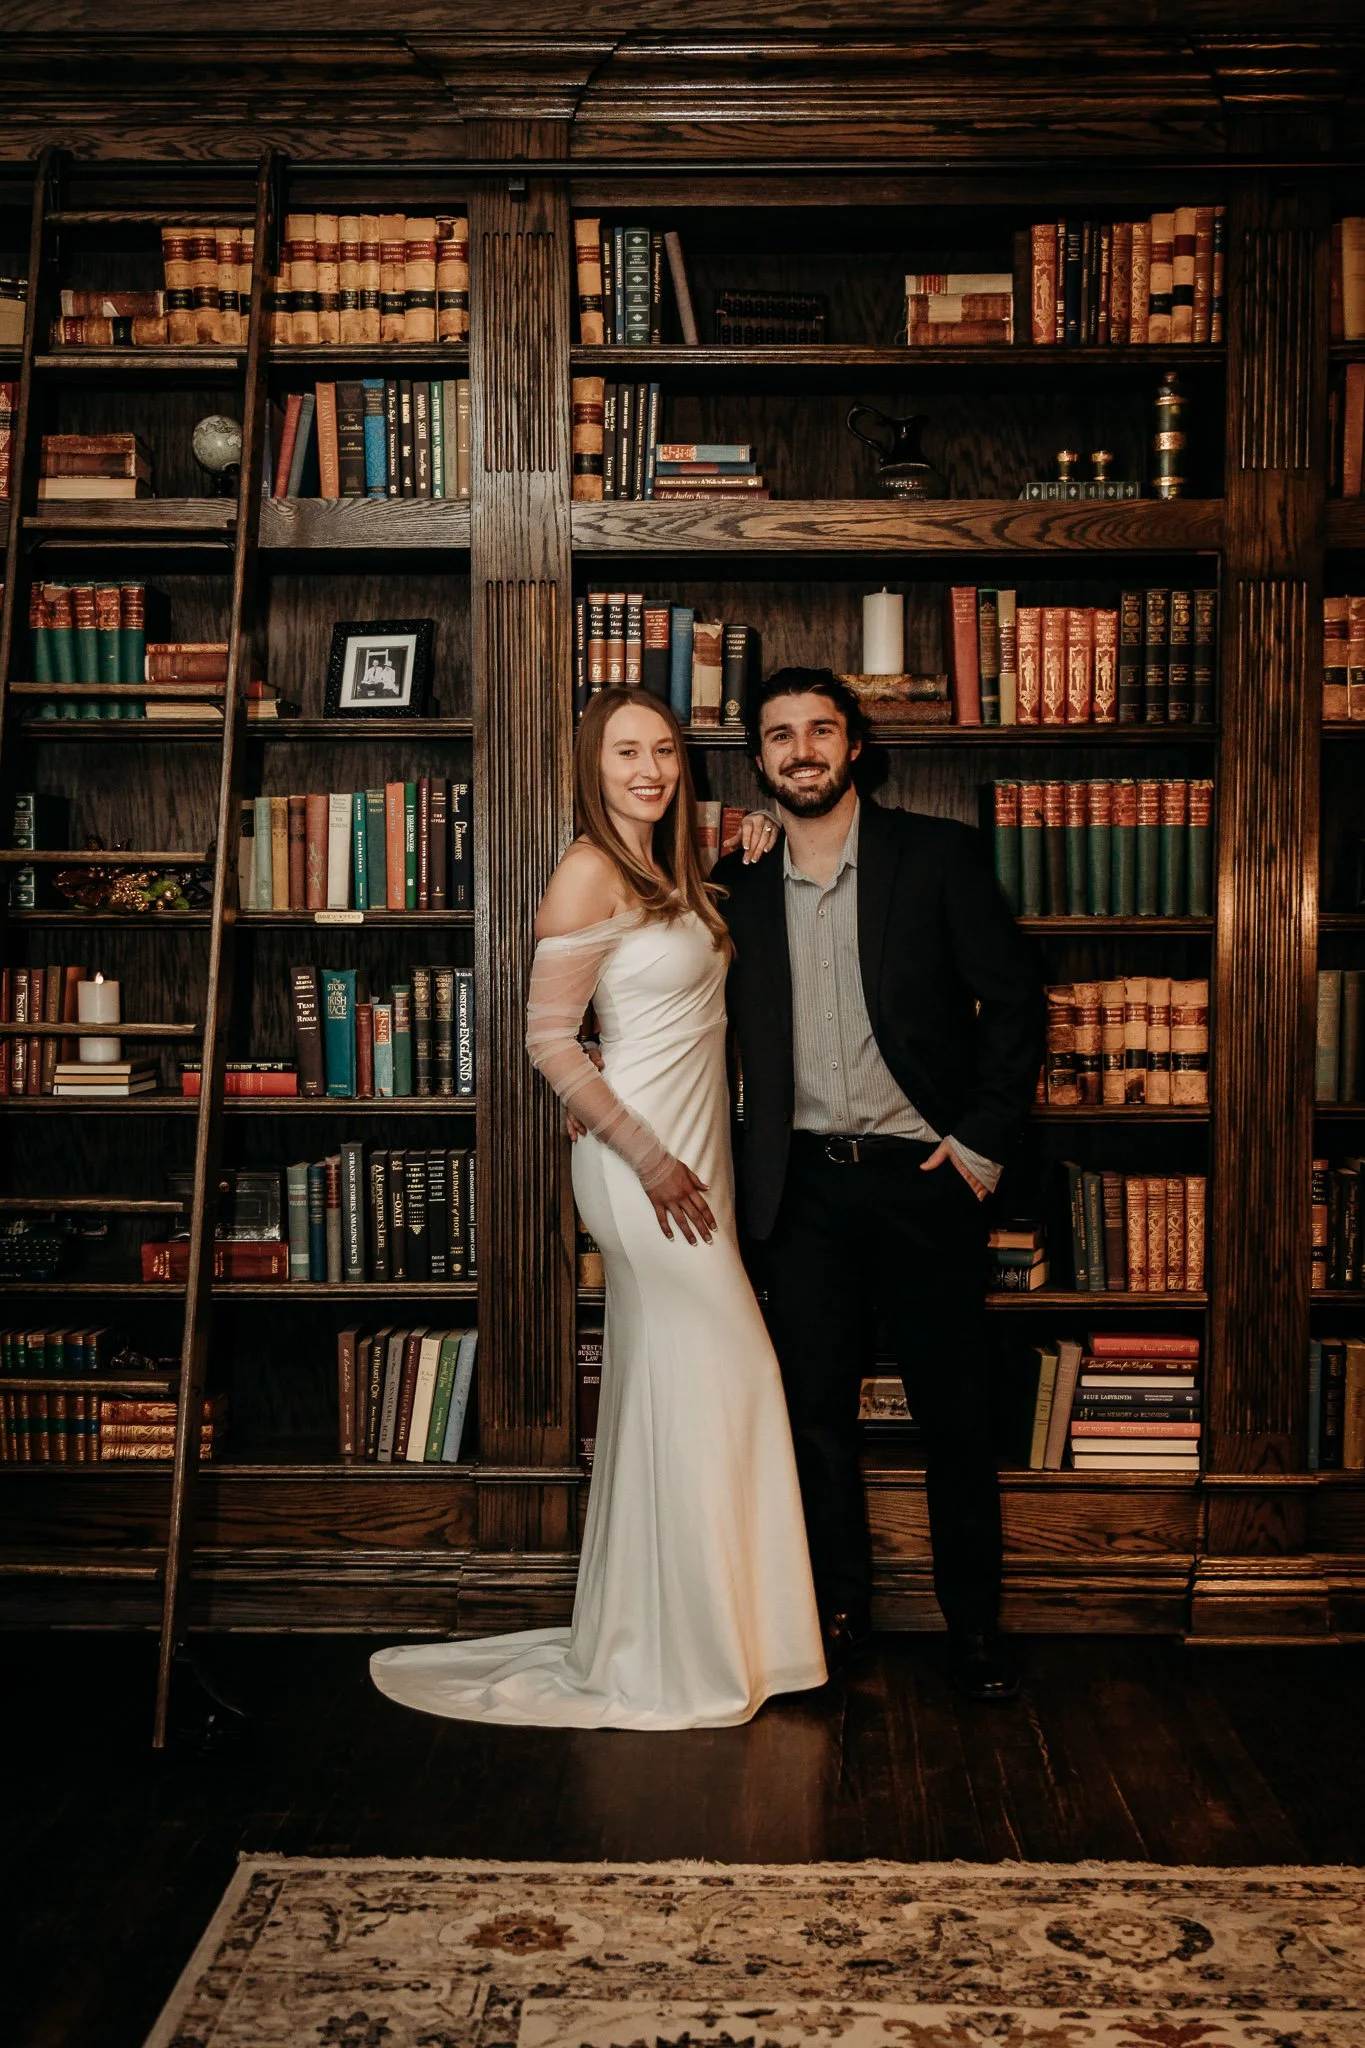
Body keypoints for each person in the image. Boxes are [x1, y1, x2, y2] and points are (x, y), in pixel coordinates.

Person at [370, 687, 826, 1729]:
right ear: (594, 762)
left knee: (682, 1391)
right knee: (733, 1371)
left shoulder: (681, 862)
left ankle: (704, 1636)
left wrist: (757, 829)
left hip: (694, 1152)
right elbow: (545, 1038)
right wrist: (647, 1156)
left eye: (664, 749)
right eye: (627, 751)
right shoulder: (587, 869)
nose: (649, 769)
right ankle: (689, 1648)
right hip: (643, 1170)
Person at [711, 667, 1045, 1702]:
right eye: (779, 736)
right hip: (798, 1191)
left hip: (925, 1180)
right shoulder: (737, 886)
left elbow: (1018, 1002)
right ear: (758, 759)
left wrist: (981, 1141)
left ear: (855, 744)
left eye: (820, 730)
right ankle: (836, 1615)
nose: (801, 750)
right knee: (815, 1418)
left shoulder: (936, 855)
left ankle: (975, 1629)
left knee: (957, 1412)